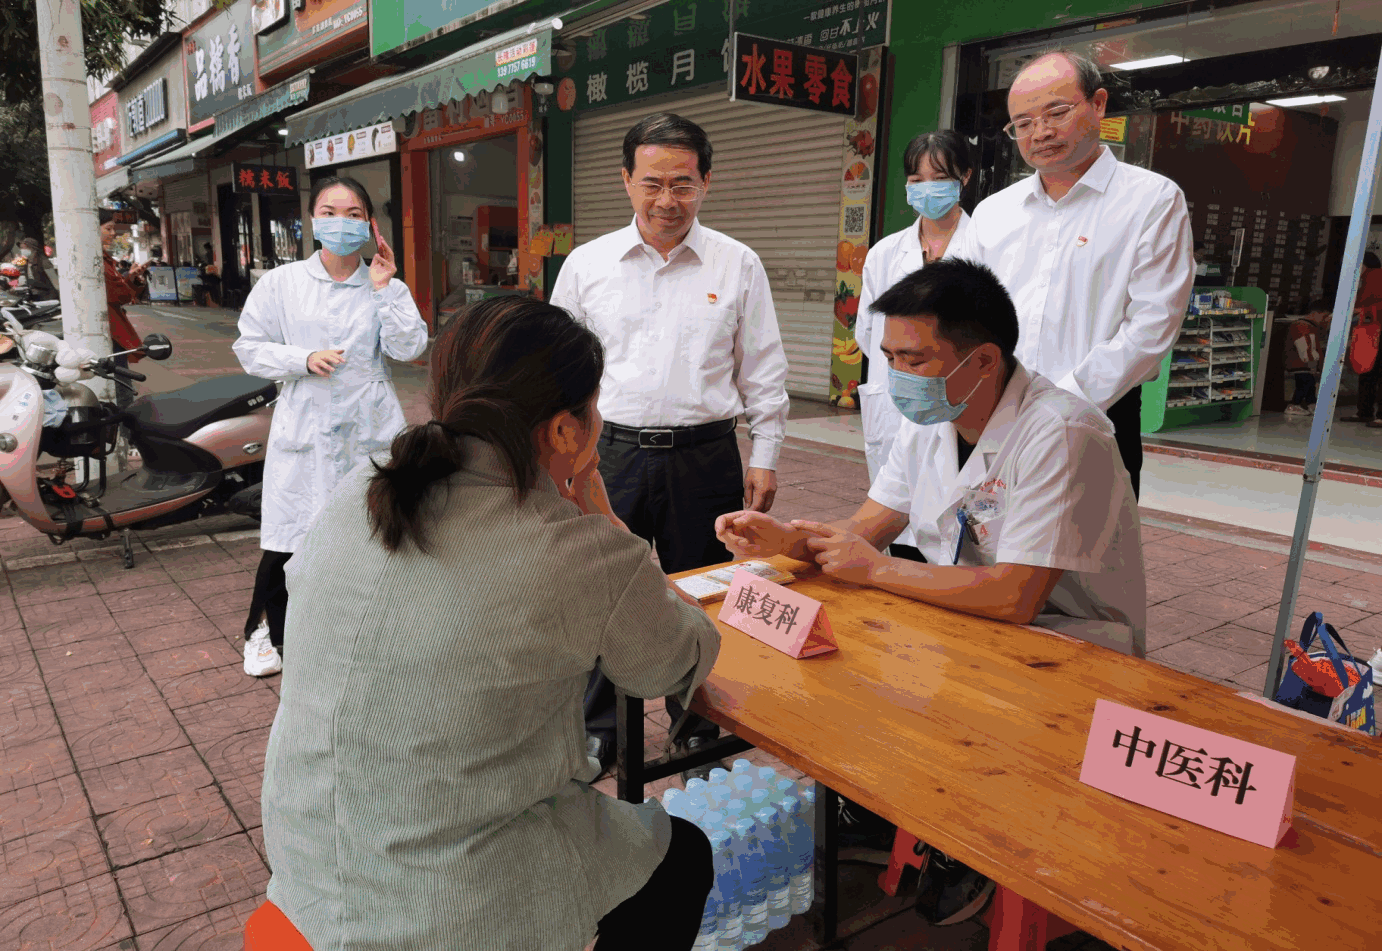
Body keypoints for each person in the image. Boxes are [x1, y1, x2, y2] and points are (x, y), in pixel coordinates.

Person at [257, 295, 719, 951]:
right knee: (683, 855)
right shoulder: (576, 548)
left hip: (307, 862)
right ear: (567, 430)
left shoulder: (362, 488)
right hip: (451, 901)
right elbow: (676, 661)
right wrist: (600, 514)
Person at [716, 258, 1145, 928]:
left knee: (896, 656)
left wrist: (875, 568)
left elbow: (1016, 596)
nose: (895, 377)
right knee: (857, 654)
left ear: (981, 361)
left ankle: (970, 837)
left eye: (913, 358)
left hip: (1068, 642)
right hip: (966, 617)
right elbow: (865, 529)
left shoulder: (1061, 432)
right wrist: (787, 541)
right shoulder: (930, 423)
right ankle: (891, 806)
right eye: (887, 356)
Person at [549, 113, 790, 781]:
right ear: (625, 180)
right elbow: (558, 371)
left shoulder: (737, 263)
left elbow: (762, 367)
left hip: (705, 458)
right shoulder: (587, 265)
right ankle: (601, 732)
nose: (666, 200)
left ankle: (696, 727)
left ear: (705, 182)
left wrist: (765, 452)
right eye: (651, 182)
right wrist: (561, 461)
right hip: (609, 457)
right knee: (601, 591)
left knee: (705, 596)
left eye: (682, 184)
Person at [949, 48, 1194, 498]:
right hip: (992, 410)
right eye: (1022, 123)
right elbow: (962, 310)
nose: (1040, 132)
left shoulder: (1152, 201)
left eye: (1056, 112)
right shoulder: (993, 213)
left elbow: (1152, 326)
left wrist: (1058, 404)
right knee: (980, 551)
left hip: (1097, 415)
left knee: (1087, 559)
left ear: (1098, 105)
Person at [232, 176, 427, 678]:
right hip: (307, 424)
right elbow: (249, 347)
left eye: (353, 213)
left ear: (369, 223)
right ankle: (266, 633)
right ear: (313, 219)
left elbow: (410, 348)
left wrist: (384, 288)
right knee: (290, 538)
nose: (342, 222)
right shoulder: (282, 283)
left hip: (371, 423)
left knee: (375, 534)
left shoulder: (387, 284)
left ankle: (363, 634)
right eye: (330, 211)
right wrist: (302, 358)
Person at [855, 130, 974, 560]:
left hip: (963, 398)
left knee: (961, 521)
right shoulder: (885, 253)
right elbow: (868, 335)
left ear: (966, 177)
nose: (926, 189)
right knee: (897, 517)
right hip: (897, 396)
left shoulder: (987, 245)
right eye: (916, 179)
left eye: (939, 177)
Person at [98, 209, 147, 411]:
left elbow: (120, 293)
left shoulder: (103, 259)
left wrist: (131, 279)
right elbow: (120, 295)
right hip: (111, 331)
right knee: (120, 386)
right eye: (108, 228)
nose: (113, 233)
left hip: (112, 329)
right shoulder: (97, 262)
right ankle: (125, 434)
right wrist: (129, 281)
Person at [1343, 251, 1382, 426]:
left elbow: (1364, 306)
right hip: (1371, 333)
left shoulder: (1374, 278)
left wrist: (1361, 311)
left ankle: (1367, 413)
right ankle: (1367, 413)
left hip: (1373, 333)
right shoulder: (1368, 279)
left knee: (1370, 372)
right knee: (1370, 372)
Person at [1284, 300, 1330, 418]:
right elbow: (1305, 347)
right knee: (1305, 383)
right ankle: (1294, 404)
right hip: (1301, 363)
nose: (1325, 320)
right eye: (1324, 316)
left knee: (1309, 384)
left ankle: (1312, 403)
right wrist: (1314, 364)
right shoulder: (1302, 326)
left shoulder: (1307, 326)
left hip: (1303, 363)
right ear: (1317, 313)